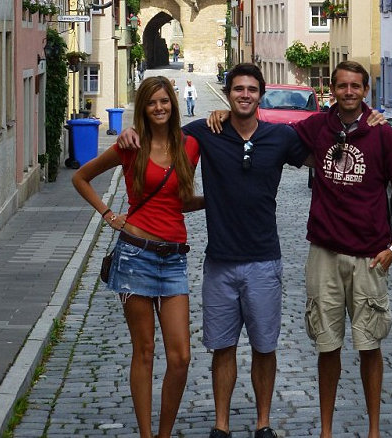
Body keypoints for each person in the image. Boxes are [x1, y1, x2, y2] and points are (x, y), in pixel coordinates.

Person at [118, 63, 313, 438]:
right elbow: (162, 129)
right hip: (220, 262)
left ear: (261, 95)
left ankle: (263, 423)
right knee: (222, 347)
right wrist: (131, 133)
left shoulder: (279, 137)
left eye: (251, 89)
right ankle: (221, 425)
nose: (245, 95)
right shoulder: (207, 132)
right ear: (227, 94)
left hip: (264, 260)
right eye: (238, 89)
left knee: (264, 347)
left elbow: (319, 154)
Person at [290, 61, 392, 438]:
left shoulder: (382, 135)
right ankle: (326, 431)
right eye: (342, 86)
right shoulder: (318, 127)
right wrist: (224, 116)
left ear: (366, 90)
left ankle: (374, 430)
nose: (348, 92)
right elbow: (270, 136)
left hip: (369, 257)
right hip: (325, 254)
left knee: (369, 345)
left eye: (355, 86)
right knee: (326, 345)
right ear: (331, 89)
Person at [72, 76, 203, 438]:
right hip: (135, 257)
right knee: (143, 351)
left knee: (180, 356)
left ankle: (164, 434)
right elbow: (81, 178)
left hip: (173, 259)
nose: (159, 107)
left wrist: (214, 201)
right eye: (151, 102)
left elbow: (181, 203)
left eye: (164, 101)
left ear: (173, 104)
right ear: (143, 108)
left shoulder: (190, 146)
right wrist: (108, 214)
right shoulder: (130, 146)